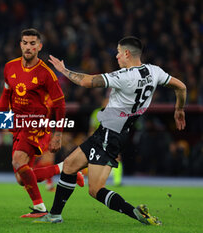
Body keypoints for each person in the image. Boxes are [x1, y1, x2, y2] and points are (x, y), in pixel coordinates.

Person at [35, 36, 186, 225]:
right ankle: (55, 215)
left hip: (110, 134)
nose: (116, 56)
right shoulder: (154, 72)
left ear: (127, 54)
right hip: (114, 132)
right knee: (69, 166)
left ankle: (136, 213)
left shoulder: (124, 77)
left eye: (118, 52)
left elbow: (87, 82)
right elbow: (181, 87)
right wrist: (179, 109)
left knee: (95, 189)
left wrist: (63, 70)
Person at [0, 28, 84, 218]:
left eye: (32, 43)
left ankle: (40, 208)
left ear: (39, 46)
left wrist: (58, 133)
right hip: (17, 124)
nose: (28, 47)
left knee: (17, 161)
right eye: (25, 43)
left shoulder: (46, 74)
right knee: (22, 178)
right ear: (20, 45)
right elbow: (6, 96)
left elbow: (60, 104)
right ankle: (65, 169)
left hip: (37, 124)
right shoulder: (10, 67)